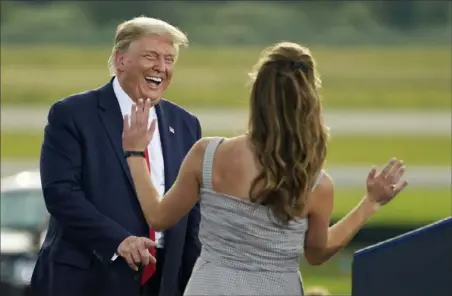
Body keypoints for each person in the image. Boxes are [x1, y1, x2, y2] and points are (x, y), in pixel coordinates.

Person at [121, 42, 409, 295]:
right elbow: (318, 254)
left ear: (256, 95)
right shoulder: (315, 184)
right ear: (309, 103)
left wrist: (135, 153)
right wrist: (370, 203)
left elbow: (158, 216)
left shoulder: (207, 154)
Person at [30, 16, 202, 296]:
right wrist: (118, 240)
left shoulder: (185, 124)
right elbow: (61, 193)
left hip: (162, 281)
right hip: (90, 277)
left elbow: (191, 211)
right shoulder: (72, 114)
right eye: (151, 56)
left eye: (169, 59)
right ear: (121, 60)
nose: (161, 67)